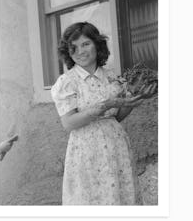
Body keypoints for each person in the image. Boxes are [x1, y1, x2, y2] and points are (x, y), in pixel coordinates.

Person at [51, 22, 156, 205]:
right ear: (68, 52)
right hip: (86, 151)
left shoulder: (112, 77)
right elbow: (69, 123)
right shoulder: (67, 82)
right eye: (73, 47)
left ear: (97, 45)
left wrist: (134, 99)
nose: (80, 51)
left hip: (117, 147)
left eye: (85, 44)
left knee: (120, 198)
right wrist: (107, 104)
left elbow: (115, 118)